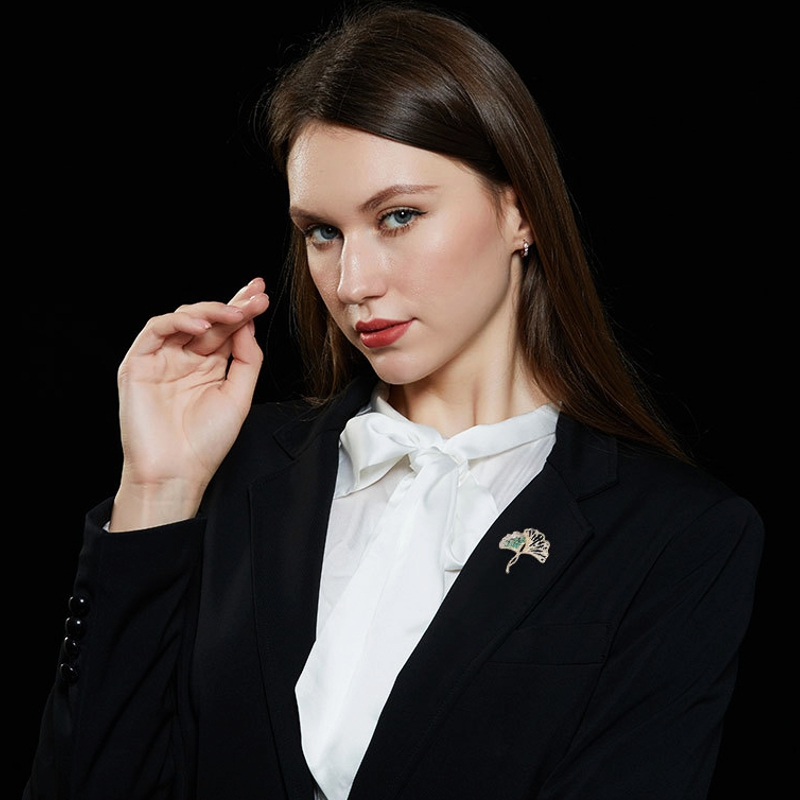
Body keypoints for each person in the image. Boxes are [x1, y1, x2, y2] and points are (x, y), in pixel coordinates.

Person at [24, 2, 763, 798]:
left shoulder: (678, 534)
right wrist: (157, 490)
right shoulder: (231, 473)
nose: (353, 283)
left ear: (519, 210)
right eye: (322, 232)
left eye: (399, 217)